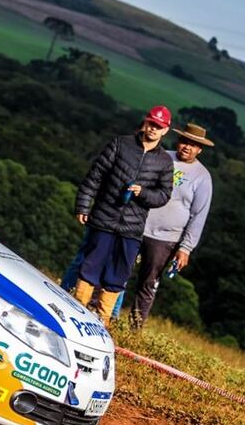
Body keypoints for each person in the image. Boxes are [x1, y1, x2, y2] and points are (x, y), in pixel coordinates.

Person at [72, 106, 175, 324]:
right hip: (104, 218)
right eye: (151, 123)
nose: (153, 129)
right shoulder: (120, 144)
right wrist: (83, 206)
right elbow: (94, 176)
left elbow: (164, 195)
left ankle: (102, 322)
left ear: (165, 130)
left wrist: (143, 193)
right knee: (90, 268)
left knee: (117, 276)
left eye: (158, 126)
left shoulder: (165, 161)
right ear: (145, 122)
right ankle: (75, 312)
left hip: (132, 228)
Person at [127, 122, 214, 329]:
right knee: (119, 270)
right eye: (184, 141)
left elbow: (198, 215)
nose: (187, 147)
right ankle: (104, 314)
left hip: (166, 238)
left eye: (193, 145)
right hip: (138, 224)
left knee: (148, 283)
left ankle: (134, 329)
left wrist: (186, 248)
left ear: (199, 149)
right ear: (178, 141)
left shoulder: (202, 177)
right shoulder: (163, 156)